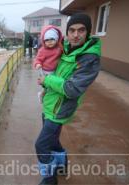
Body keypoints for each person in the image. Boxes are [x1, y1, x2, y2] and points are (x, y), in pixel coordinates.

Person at [35, 13, 101, 185]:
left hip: (60, 109)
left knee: (41, 145)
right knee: (53, 140)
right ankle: (62, 165)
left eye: (81, 30)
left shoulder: (88, 58)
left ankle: (49, 179)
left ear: (88, 33)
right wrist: (45, 85)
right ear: (67, 32)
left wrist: (47, 80)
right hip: (50, 103)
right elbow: (54, 69)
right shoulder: (64, 47)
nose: (76, 34)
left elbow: (72, 89)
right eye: (71, 30)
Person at [33, 25, 63, 103]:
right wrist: (37, 64)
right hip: (45, 71)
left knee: (52, 85)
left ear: (56, 39)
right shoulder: (43, 50)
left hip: (55, 70)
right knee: (46, 85)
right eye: (47, 40)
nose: (49, 42)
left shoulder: (59, 48)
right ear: (44, 41)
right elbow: (38, 59)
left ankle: (45, 95)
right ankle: (42, 95)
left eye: (52, 39)